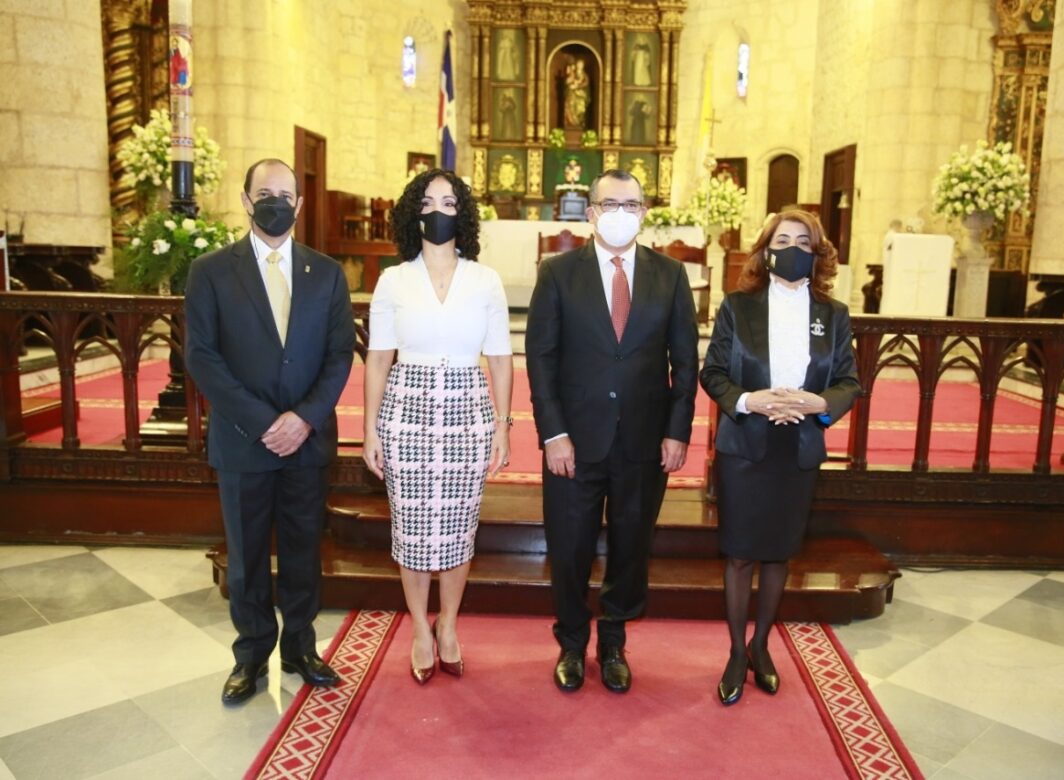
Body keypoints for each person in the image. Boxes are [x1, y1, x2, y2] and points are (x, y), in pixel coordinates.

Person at [185, 158, 355, 705]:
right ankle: (251, 654)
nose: (276, 202)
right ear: (246, 200)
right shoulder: (209, 271)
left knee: (304, 551)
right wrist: (264, 423)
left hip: (307, 442)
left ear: (300, 206)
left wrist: (303, 418)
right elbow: (203, 358)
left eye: (286, 194)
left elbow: (337, 356)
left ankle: (301, 647)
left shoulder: (326, 273)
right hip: (243, 441)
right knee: (248, 554)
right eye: (265, 192)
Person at [526, 169, 699, 693]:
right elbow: (541, 358)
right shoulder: (557, 273)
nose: (621, 213)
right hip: (574, 443)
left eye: (632, 204)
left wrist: (677, 431)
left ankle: (615, 640)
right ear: (592, 212)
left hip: (644, 441)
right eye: (610, 204)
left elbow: (685, 362)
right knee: (571, 546)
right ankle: (572, 643)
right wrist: (553, 433)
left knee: (631, 545)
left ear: (644, 211)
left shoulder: (670, 275)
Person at [699, 208, 860, 706]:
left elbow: (848, 382)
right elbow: (714, 373)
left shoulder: (831, 316)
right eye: (783, 239)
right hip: (746, 445)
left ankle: (762, 645)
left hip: (799, 447)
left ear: (816, 255)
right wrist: (752, 401)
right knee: (742, 553)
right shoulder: (738, 307)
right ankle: (734, 653)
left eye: (803, 242)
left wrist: (819, 405)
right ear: (766, 249)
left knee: (778, 553)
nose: (792, 249)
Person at [362, 169, 513, 685]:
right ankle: (419, 631)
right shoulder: (393, 279)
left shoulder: (485, 279)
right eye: (428, 202)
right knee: (410, 528)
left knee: (455, 527)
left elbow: (500, 359)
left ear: (463, 213)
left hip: (468, 409)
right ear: (413, 212)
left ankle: (447, 625)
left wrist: (502, 426)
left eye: (450, 202)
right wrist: (370, 430)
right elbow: (378, 360)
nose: (439, 211)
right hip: (407, 410)